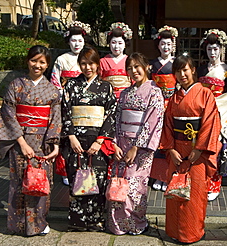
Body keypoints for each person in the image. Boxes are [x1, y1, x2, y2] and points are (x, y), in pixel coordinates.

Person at [0, 45, 62, 236]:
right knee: (19, 183)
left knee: (41, 184)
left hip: (43, 143)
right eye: (34, 60)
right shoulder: (16, 85)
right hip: (20, 142)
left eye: (42, 62)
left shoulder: (52, 91)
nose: (37, 65)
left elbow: (55, 118)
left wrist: (55, 144)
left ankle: (39, 224)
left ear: (48, 65)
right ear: (28, 61)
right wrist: (22, 142)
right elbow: (8, 114)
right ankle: (17, 224)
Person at [160, 55, 221, 244]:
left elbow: (211, 123)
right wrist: (170, 149)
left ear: (193, 70)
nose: (182, 74)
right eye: (178, 71)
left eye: (185, 69)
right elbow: (167, 125)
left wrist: (200, 149)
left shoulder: (205, 94)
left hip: (197, 153)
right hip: (177, 151)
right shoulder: (174, 98)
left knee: (194, 194)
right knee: (175, 191)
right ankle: (174, 231)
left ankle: (192, 232)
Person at [107, 52, 164, 235]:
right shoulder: (125, 93)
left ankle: (135, 224)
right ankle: (117, 225)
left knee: (135, 187)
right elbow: (117, 120)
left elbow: (152, 122)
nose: (134, 71)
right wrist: (115, 143)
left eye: (137, 66)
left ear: (146, 66)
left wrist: (135, 147)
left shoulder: (154, 92)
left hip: (140, 148)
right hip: (122, 143)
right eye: (130, 68)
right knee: (118, 184)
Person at [61, 45, 117, 232]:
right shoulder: (71, 85)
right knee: (77, 180)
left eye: (91, 63)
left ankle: (95, 221)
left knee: (98, 182)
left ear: (97, 64)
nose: (87, 68)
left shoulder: (105, 87)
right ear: (79, 64)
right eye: (83, 64)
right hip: (75, 141)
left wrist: (100, 140)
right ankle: (77, 222)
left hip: (97, 141)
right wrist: (71, 137)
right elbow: (65, 112)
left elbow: (111, 115)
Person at [197, 29, 227, 201]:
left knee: (216, 150)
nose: (212, 53)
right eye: (209, 49)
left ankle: (214, 185)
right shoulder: (200, 69)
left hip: (219, 113)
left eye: (215, 49)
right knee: (199, 148)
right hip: (201, 112)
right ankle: (199, 182)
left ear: (221, 49)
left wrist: (212, 108)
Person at [50, 21, 91, 186]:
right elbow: (55, 80)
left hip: (85, 103)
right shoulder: (62, 59)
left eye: (80, 40)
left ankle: (84, 168)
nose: (77, 44)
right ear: (68, 41)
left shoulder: (88, 58)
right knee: (66, 137)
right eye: (74, 40)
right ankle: (65, 170)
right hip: (66, 101)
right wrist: (63, 95)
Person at [149, 25, 178, 192]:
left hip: (172, 104)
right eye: (163, 44)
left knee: (171, 141)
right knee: (157, 141)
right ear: (158, 46)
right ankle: (157, 175)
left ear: (173, 45)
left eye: (169, 44)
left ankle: (169, 175)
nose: (166, 47)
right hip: (157, 104)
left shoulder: (176, 63)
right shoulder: (152, 65)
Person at [100, 22, 133, 100]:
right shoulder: (102, 61)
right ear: (109, 44)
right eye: (113, 43)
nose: (116, 46)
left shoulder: (130, 60)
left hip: (126, 97)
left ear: (125, 45)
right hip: (108, 98)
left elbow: (134, 81)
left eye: (120, 43)